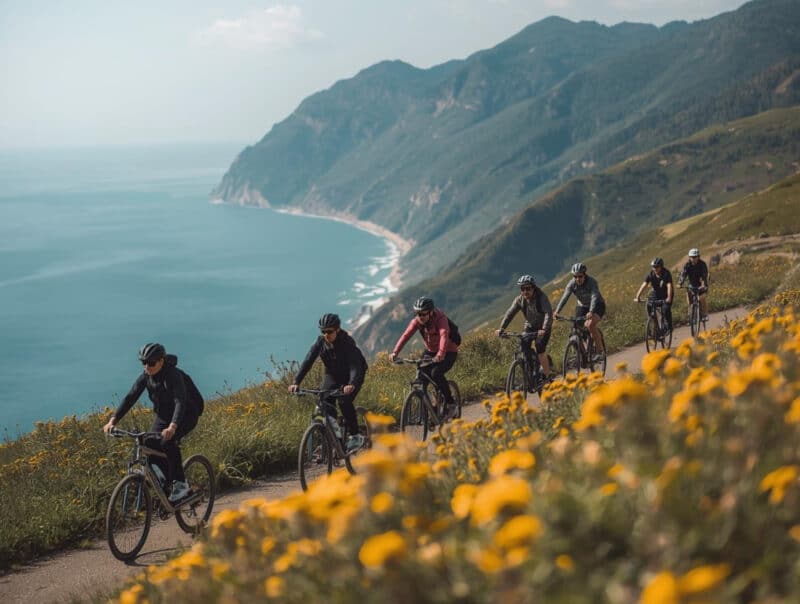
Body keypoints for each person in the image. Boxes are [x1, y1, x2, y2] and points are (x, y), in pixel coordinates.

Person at [103, 343, 201, 503]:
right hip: (164, 415)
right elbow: (130, 397)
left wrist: (173, 426)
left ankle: (181, 485)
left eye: (151, 363)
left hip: (187, 413)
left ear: (161, 361)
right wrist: (112, 420)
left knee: (168, 442)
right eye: (143, 363)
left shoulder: (173, 375)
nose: (147, 366)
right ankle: (166, 479)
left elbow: (179, 401)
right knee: (148, 443)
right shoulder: (146, 376)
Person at [288, 313, 368, 452]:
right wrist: (296, 382)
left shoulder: (347, 342)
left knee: (344, 401)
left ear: (337, 330)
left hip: (352, 375)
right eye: (323, 331)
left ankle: (356, 436)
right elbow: (308, 361)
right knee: (324, 402)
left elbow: (355, 366)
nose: (326, 335)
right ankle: (333, 438)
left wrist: (351, 383)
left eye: (329, 331)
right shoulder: (320, 342)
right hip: (332, 375)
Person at [390, 296, 459, 419]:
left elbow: (444, 335)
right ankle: (432, 409)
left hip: (448, 351)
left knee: (436, 373)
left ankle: (451, 404)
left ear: (431, 312)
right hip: (431, 351)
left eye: (423, 314)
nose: (420, 316)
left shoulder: (440, 319)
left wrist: (440, 355)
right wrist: (395, 352)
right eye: (417, 313)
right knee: (422, 378)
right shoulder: (417, 321)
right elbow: (406, 336)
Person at [495, 274, 554, 380]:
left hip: (543, 327)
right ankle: (531, 374)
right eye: (522, 289)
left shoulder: (541, 297)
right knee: (524, 346)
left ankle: (548, 376)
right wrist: (502, 328)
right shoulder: (520, 300)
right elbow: (510, 314)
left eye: (528, 288)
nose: (525, 291)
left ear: (533, 288)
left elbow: (548, 313)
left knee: (540, 348)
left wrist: (544, 329)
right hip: (530, 326)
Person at [553, 262, 607, 362]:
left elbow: (594, 297)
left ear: (584, 274)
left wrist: (591, 311)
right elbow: (565, 297)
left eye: (580, 276)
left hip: (597, 305)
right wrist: (557, 311)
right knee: (576, 327)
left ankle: (600, 352)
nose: (578, 279)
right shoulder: (572, 284)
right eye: (575, 276)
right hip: (582, 306)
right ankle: (586, 352)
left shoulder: (592, 282)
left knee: (590, 325)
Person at [634, 257, 674, 332]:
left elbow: (669, 286)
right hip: (656, 293)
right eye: (653, 267)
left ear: (661, 266)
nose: (654, 269)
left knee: (665, 309)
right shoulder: (651, 274)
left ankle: (669, 326)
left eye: (656, 267)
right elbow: (644, 285)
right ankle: (654, 323)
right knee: (649, 304)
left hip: (666, 293)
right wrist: (638, 296)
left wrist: (669, 297)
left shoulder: (666, 273)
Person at [678, 248, 709, 319]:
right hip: (692, 285)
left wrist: (703, 285)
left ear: (698, 257)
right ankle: (691, 313)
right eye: (692, 257)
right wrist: (680, 283)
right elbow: (683, 274)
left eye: (695, 257)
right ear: (689, 257)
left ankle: (705, 314)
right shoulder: (687, 265)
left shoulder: (702, 264)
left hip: (701, 284)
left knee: (701, 298)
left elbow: (704, 276)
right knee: (689, 296)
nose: (693, 259)